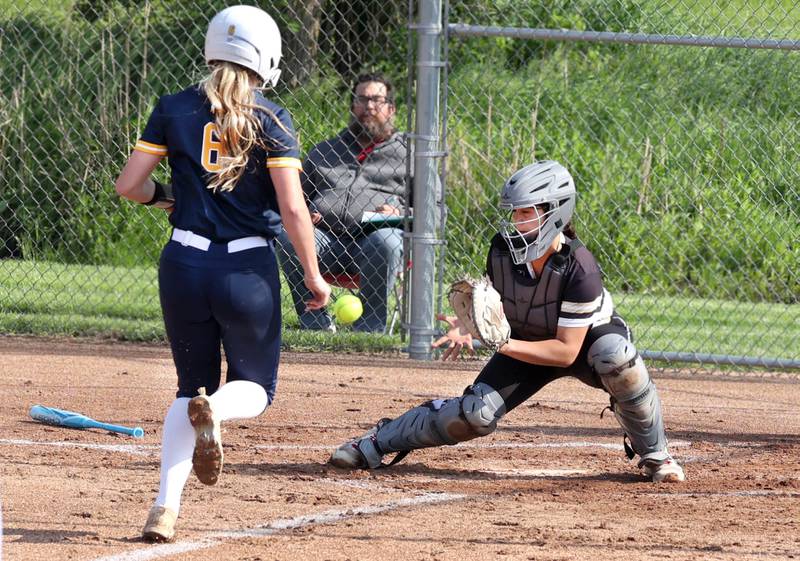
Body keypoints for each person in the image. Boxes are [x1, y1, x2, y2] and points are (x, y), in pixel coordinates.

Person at [115, 5, 330, 542]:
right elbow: (294, 209)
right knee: (254, 388)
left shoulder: (173, 108)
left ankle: (165, 508)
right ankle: (216, 410)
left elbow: (130, 186)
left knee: (187, 388)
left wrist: (168, 197)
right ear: (267, 57)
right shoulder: (273, 119)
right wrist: (314, 275)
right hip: (245, 270)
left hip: (184, 264)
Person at [329, 160, 685, 483]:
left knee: (617, 358)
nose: (517, 222)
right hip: (525, 345)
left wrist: (503, 344)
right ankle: (374, 443)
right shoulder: (502, 250)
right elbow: (495, 302)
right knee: (473, 415)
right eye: (515, 214)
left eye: (526, 213)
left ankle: (657, 455)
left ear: (555, 212)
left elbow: (565, 351)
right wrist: (464, 325)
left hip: (582, 346)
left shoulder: (581, 268)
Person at [276, 72, 407, 333]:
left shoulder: (409, 154)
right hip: (326, 240)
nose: (369, 106)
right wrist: (302, 215)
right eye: (362, 99)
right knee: (288, 234)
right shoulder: (326, 150)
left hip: (376, 241)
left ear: (391, 109)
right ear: (352, 106)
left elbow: (435, 210)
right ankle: (315, 322)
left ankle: (370, 328)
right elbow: (295, 199)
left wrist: (400, 212)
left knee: (385, 240)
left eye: (377, 100)